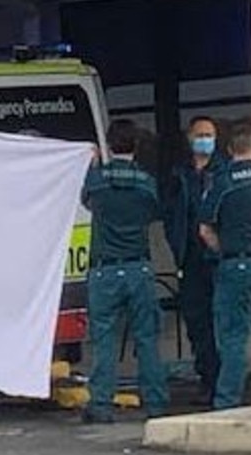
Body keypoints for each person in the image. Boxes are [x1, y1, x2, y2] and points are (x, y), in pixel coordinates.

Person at [80, 119, 169, 424]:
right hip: (139, 269)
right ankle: (156, 404)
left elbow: (87, 200)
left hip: (105, 272)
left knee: (103, 339)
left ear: (108, 144)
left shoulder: (97, 181)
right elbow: (155, 212)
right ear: (137, 145)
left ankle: (101, 405)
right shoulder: (146, 182)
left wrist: (93, 165)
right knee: (147, 338)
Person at [199, 124, 251, 411]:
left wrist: (224, 249)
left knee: (233, 337)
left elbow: (205, 230)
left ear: (229, 150)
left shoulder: (222, 183)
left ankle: (227, 401)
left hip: (234, 264)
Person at [163, 116, 226, 406]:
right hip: (190, 258)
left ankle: (223, 383)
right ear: (190, 138)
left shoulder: (223, 171)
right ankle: (207, 379)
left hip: (218, 258)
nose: (205, 140)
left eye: (209, 135)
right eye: (200, 134)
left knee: (223, 322)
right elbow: (171, 215)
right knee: (197, 323)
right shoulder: (180, 174)